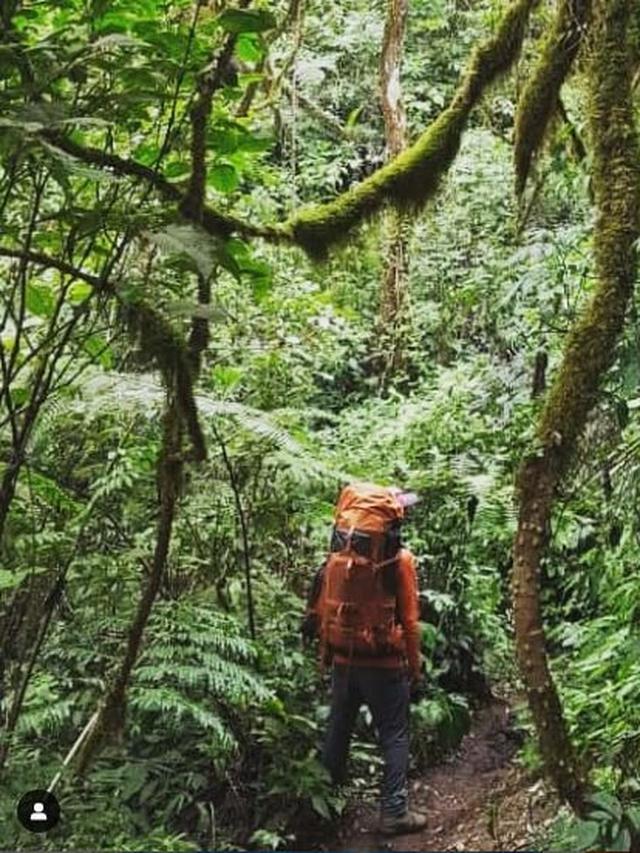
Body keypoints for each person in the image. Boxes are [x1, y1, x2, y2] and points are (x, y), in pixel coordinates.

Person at [302, 482, 427, 836]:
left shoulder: (338, 558)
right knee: (395, 734)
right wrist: (415, 667)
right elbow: (410, 620)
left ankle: (323, 810)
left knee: (337, 732)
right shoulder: (399, 561)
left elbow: (321, 606)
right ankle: (394, 812)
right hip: (384, 663)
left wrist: (325, 655)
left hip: (343, 658)